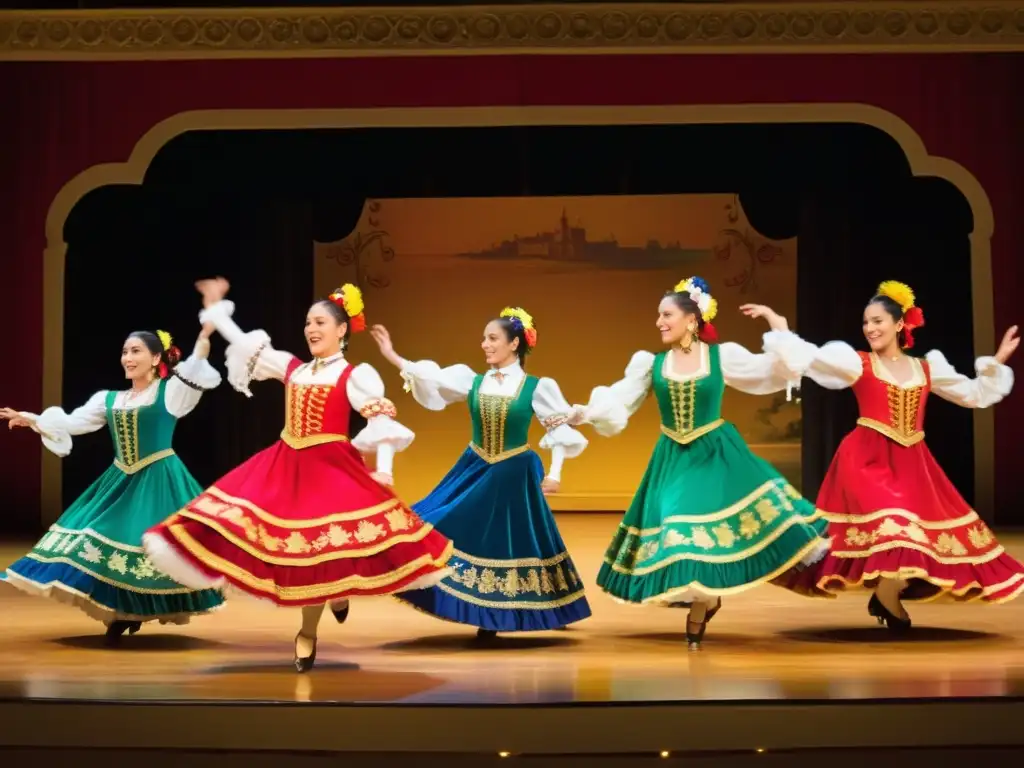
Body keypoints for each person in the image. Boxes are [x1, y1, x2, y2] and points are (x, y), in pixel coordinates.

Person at [143, 278, 452, 671]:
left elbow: (381, 421)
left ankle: (308, 630)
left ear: (341, 330)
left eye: (320, 322)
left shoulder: (355, 375)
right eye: (308, 322)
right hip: (286, 464)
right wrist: (218, 311)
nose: (311, 329)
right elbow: (243, 343)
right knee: (260, 531)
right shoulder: (294, 368)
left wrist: (386, 472)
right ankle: (331, 601)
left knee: (319, 547)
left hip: (332, 468)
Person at [570, 277, 830, 650]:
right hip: (673, 457)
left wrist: (776, 323)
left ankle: (702, 603)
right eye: (658, 316)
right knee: (676, 526)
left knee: (705, 528)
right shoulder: (652, 364)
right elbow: (619, 399)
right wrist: (583, 413)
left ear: (692, 320)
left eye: (667, 315)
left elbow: (772, 371)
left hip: (716, 453)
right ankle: (705, 599)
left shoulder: (721, 357)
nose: (659, 322)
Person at [783, 280, 1022, 630]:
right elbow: (812, 359)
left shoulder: (927, 368)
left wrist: (995, 363)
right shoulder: (858, 363)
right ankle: (887, 596)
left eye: (877, 321)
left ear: (899, 324)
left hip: (913, 464)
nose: (870, 328)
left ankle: (886, 596)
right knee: (893, 531)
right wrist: (780, 330)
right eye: (866, 322)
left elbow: (973, 394)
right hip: (865, 460)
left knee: (917, 539)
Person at [369, 308, 596, 639]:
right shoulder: (472, 380)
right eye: (484, 338)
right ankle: (479, 606)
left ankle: (509, 611)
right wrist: (393, 356)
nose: (485, 345)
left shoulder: (536, 386)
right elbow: (431, 379)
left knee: (517, 542)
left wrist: (556, 473)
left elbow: (558, 427)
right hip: (476, 464)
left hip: (514, 471)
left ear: (514, 343)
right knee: (442, 520)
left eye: (492, 339)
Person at [1, 327, 224, 643]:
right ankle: (123, 612)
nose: (128, 358)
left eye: (136, 351)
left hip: (159, 479)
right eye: (125, 351)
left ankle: (132, 612)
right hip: (121, 478)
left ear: (155, 358)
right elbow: (74, 422)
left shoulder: (169, 392)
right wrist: (31, 418)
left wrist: (205, 336)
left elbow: (195, 371)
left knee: (152, 548)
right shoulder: (109, 399)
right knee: (97, 536)